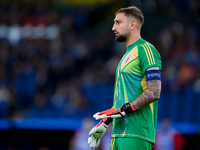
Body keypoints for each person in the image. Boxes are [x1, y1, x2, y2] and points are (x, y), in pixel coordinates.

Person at [88, 6, 162, 150]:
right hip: (118, 134)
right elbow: (122, 101)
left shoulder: (146, 50)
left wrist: (122, 110)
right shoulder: (125, 57)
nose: (113, 27)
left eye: (118, 22)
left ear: (132, 24)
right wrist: (104, 122)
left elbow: (154, 91)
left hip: (136, 134)